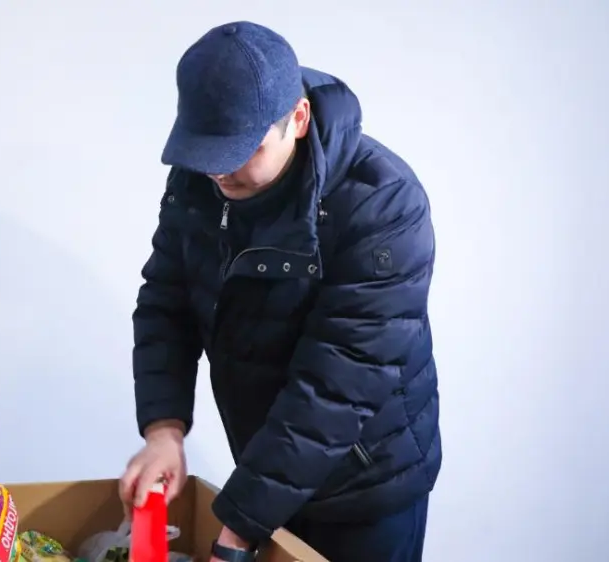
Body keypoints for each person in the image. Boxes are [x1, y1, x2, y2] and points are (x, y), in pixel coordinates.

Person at [120, 21, 440, 562]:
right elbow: (165, 303)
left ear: (298, 118)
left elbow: (336, 385)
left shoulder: (382, 205)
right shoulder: (200, 179)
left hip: (364, 487)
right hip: (268, 470)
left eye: (242, 149)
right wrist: (163, 429)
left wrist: (240, 525)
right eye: (208, 152)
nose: (221, 171)